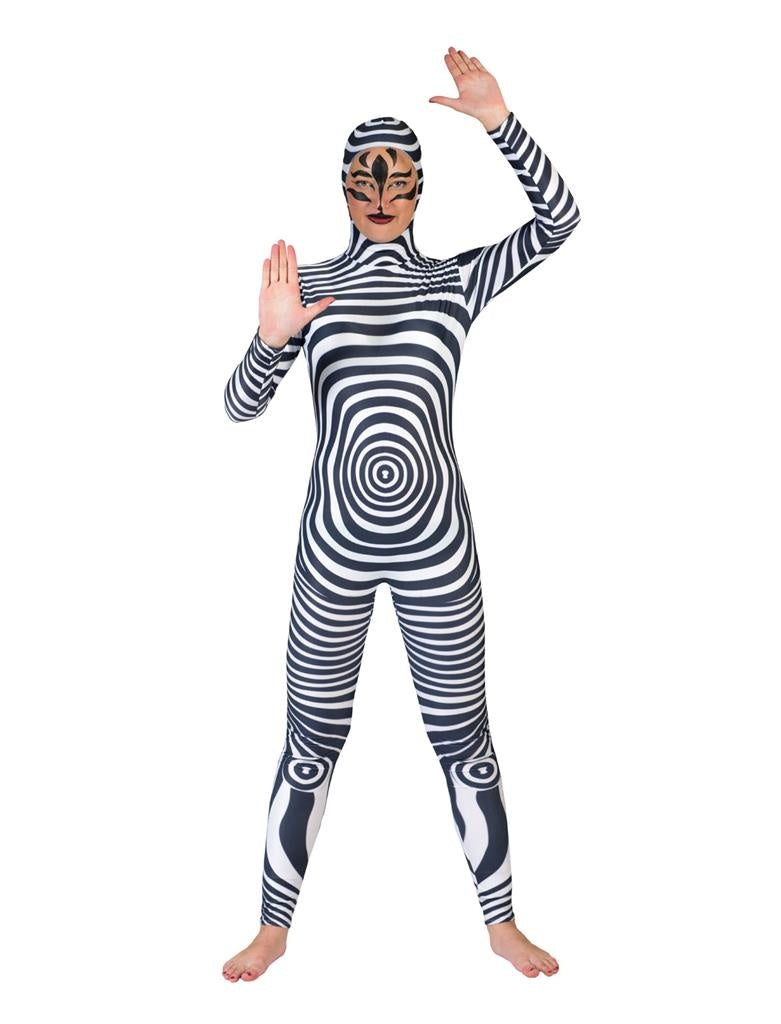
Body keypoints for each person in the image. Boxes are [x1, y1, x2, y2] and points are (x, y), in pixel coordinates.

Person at [222, 46, 580, 982]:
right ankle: (272, 927)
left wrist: (498, 123)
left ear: (420, 187)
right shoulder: (306, 289)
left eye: (397, 179)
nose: (380, 194)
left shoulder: (454, 280)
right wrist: (270, 340)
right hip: (332, 552)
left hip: (437, 551)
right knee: (309, 743)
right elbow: (238, 405)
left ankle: (501, 923)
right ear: (342, 186)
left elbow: (558, 221)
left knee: (464, 740)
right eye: (363, 179)